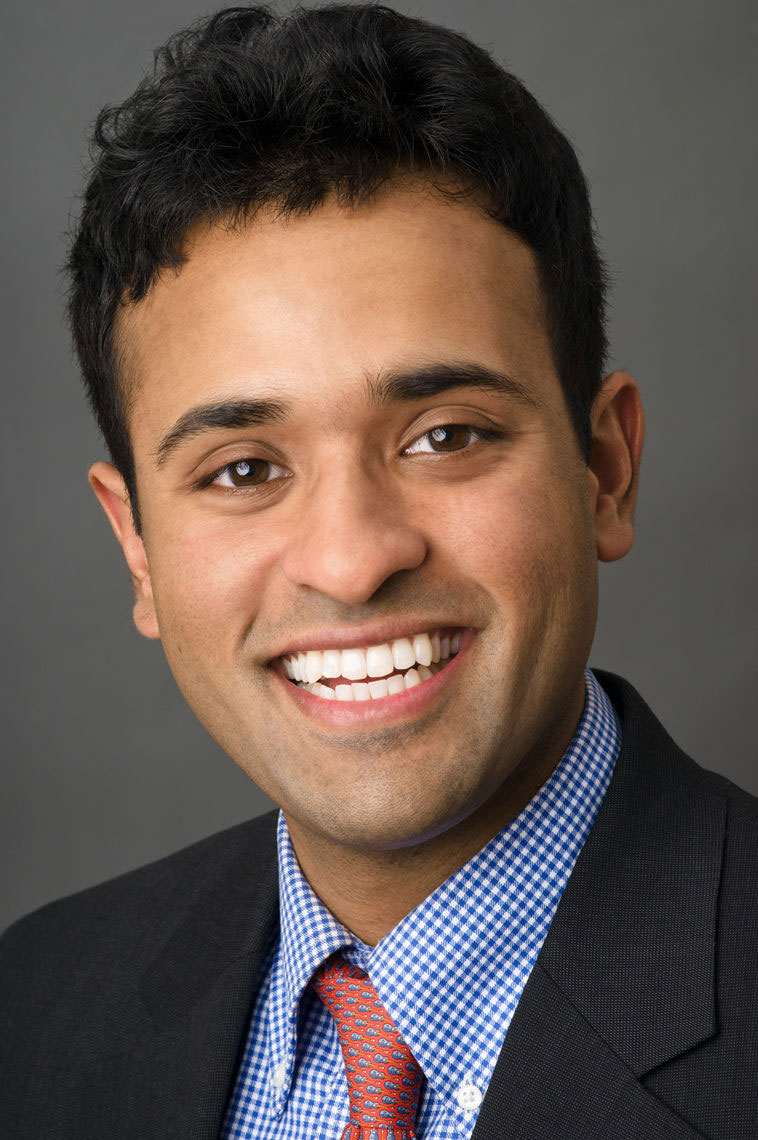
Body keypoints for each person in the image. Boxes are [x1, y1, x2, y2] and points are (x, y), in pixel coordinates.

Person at [1, 4, 755, 1138]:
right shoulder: (37, 1006)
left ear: (603, 468)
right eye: (244, 467)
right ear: (137, 549)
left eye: (443, 436)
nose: (353, 564)